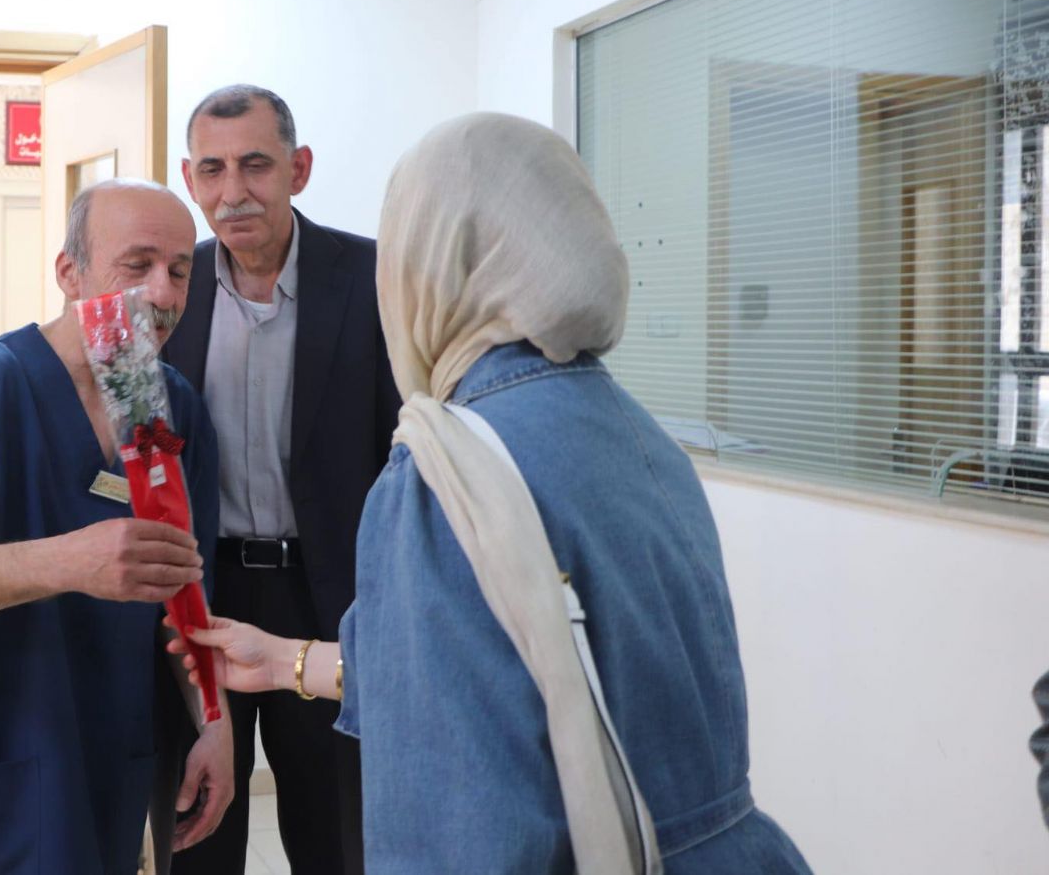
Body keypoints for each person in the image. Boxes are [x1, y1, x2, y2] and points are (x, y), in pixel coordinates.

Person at [172, 113, 815, 873]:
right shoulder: (641, 435)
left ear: (434, 258)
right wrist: (291, 662)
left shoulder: (449, 469)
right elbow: (512, 657)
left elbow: (459, 792)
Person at [0, 179, 234, 875]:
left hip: (106, 743)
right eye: (138, 264)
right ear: (70, 272)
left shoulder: (165, 405)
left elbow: (187, 592)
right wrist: (73, 561)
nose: (162, 293)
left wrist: (214, 723)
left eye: (180, 271)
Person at [157, 85, 399, 875]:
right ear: (190, 180)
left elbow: (408, 452)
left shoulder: (373, 278)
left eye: (256, 165)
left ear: (298, 169)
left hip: (330, 603)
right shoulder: (170, 291)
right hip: (204, 599)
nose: (234, 192)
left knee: (336, 838)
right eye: (212, 169)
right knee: (197, 830)